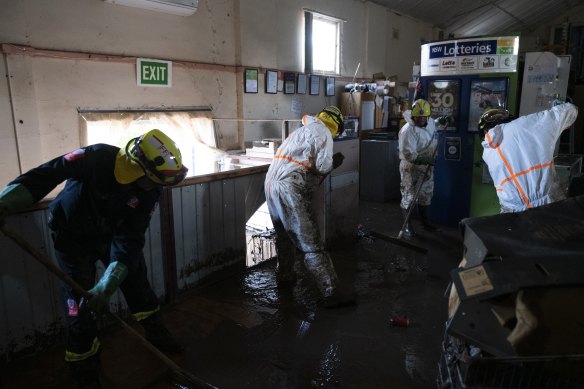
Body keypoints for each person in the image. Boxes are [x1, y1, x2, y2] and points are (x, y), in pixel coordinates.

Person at [0, 129, 188, 388]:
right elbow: (46, 174)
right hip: (72, 237)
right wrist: (5, 203)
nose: (156, 187)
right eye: (152, 181)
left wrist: (108, 283)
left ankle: (157, 332)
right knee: (78, 303)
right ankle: (84, 367)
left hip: (110, 235)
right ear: (136, 171)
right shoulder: (96, 157)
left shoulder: (149, 191)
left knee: (136, 281)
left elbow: (131, 238)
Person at [264, 105, 345, 305]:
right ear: (336, 126)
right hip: (289, 186)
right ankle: (331, 292)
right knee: (311, 244)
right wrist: (333, 163)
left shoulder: (301, 131)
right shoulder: (324, 132)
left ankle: (285, 276)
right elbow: (323, 166)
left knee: (283, 236)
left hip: (270, 184)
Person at [479, 102, 578, 213]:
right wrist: (565, 123)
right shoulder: (525, 125)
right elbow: (568, 110)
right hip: (548, 203)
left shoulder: (488, 152)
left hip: (513, 210)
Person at [398, 98, 441, 237]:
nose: (422, 119)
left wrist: (442, 121)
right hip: (410, 167)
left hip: (427, 166)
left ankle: (426, 223)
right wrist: (424, 159)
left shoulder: (430, 123)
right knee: (409, 195)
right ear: (413, 115)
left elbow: (434, 126)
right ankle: (406, 226)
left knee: (426, 193)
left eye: (424, 116)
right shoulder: (407, 130)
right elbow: (409, 154)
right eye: (418, 117)